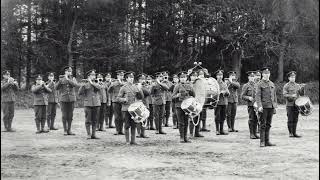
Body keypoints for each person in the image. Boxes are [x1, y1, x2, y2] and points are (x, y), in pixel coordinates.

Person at [117, 71, 144, 145]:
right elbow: (118, 98)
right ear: (126, 79)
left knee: (134, 125)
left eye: (132, 77)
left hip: (134, 110)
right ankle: (127, 141)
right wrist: (124, 100)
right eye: (130, 78)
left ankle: (133, 140)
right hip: (126, 109)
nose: (132, 79)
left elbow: (141, 97)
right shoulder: (123, 87)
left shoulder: (136, 87)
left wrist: (139, 89)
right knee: (126, 125)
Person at [256, 67, 277, 147]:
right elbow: (258, 96)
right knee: (263, 124)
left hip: (270, 107)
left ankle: (267, 141)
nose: (266, 75)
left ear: (269, 74)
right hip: (263, 107)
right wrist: (259, 106)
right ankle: (262, 142)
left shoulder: (272, 84)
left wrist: (274, 107)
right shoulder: (259, 84)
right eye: (265, 74)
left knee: (268, 124)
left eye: (268, 74)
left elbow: (274, 96)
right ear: (262, 74)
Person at [55, 66, 79, 135]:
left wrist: (68, 79)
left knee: (70, 115)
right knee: (64, 115)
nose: (69, 72)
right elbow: (56, 87)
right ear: (65, 72)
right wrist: (60, 81)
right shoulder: (61, 79)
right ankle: (65, 130)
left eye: (70, 71)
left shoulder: (73, 79)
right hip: (63, 99)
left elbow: (75, 85)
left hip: (71, 99)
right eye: (68, 71)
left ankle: (69, 130)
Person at [172, 71, 195, 143]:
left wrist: (190, 96)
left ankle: (185, 137)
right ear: (179, 78)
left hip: (187, 107)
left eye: (184, 77)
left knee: (186, 121)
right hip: (179, 106)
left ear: (186, 78)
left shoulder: (189, 86)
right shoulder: (177, 86)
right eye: (181, 77)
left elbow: (194, 95)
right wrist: (177, 96)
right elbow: (172, 97)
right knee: (181, 122)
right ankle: (181, 137)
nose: (183, 79)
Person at [78, 70, 101, 139]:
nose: (94, 76)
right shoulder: (85, 84)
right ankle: (88, 134)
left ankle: (93, 134)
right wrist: (83, 85)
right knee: (88, 120)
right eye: (92, 75)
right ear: (88, 76)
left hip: (96, 104)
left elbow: (98, 88)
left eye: (94, 75)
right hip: (88, 104)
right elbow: (79, 93)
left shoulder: (97, 83)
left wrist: (91, 82)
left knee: (95, 120)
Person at [283, 71, 305, 138]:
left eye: (294, 77)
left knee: (295, 119)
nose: (293, 78)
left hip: (297, 105)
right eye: (292, 77)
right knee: (290, 119)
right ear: (289, 78)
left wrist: (302, 88)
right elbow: (284, 94)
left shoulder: (297, 85)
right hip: (289, 105)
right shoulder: (286, 86)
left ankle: (294, 133)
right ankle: (290, 133)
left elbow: (301, 95)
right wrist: (292, 95)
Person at [241, 71, 259, 139]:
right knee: (251, 119)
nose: (252, 78)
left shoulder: (257, 85)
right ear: (248, 77)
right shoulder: (246, 85)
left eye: (253, 76)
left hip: (257, 105)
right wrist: (248, 98)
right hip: (251, 105)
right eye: (251, 76)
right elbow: (242, 96)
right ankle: (251, 134)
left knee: (256, 119)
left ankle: (255, 133)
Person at [108, 70, 126, 135]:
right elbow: (109, 91)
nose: (122, 76)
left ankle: (121, 130)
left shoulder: (125, 83)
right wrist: (113, 84)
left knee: (122, 116)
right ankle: (117, 130)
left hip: (122, 101)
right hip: (115, 101)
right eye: (120, 75)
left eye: (122, 75)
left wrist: (121, 83)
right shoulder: (114, 83)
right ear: (117, 76)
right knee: (116, 116)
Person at [188, 71, 203, 138]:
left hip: (199, 102)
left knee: (199, 117)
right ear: (190, 76)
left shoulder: (199, 83)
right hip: (191, 102)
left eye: (196, 76)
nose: (194, 77)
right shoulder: (188, 83)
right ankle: (191, 133)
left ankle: (197, 132)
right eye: (193, 76)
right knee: (192, 117)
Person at [214, 70, 230, 135]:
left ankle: (221, 130)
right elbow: (212, 92)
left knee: (223, 116)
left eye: (221, 75)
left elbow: (228, 93)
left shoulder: (224, 83)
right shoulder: (214, 83)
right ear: (216, 76)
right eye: (219, 75)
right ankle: (217, 130)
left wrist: (226, 92)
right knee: (217, 116)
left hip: (224, 102)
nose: (220, 76)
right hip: (217, 102)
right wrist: (219, 92)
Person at [136, 73, 151, 138]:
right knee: (138, 119)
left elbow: (148, 93)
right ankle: (139, 133)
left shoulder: (146, 86)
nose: (143, 80)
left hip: (145, 104)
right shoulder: (135, 86)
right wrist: (138, 87)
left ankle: (143, 133)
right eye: (141, 79)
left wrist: (141, 88)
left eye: (144, 79)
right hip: (138, 104)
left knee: (144, 119)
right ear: (138, 80)